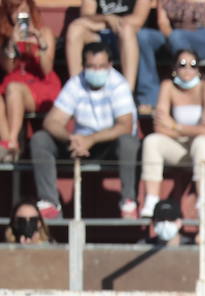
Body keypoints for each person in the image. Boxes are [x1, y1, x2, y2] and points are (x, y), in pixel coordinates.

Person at [30, 41, 139, 220]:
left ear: (110, 65)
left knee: (128, 142)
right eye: (91, 66)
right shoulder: (76, 83)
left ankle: (128, 200)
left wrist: (92, 139)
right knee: (40, 140)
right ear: (83, 66)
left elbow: (125, 125)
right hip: (77, 144)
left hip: (108, 145)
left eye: (101, 66)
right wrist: (71, 138)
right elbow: (52, 121)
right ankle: (50, 203)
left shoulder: (119, 85)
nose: (96, 71)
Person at [138, 50, 205, 218]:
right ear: (175, 69)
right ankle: (151, 199)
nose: (188, 69)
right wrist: (190, 129)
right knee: (152, 141)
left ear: (198, 69)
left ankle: (203, 202)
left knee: (201, 142)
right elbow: (159, 126)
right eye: (182, 65)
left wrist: (175, 126)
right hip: (183, 146)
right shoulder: (168, 87)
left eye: (193, 65)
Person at [0, 0, 58, 162]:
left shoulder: (43, 32)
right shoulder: (5, 34)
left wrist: (41, 45)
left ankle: (11, 142)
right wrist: (11, 43)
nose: (19, 14)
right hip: (14, 81)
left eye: (22, 9)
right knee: (11, 88)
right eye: (14, 10)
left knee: (13, 88)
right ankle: (9, 143)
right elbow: (8, 68)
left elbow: (47, 69)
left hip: (39, 85)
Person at [135, 0, 205, 113]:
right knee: (144, 36)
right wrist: (172, 38)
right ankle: (148, 97)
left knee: (177, 35)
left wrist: (174, 38)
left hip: (203, 37)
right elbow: (162, 23)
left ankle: (188, 83)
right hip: (174, 35)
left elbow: (190, 19)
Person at [63, 0, 148, 96]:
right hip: (97, 36)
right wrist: (106, 18)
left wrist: (103, 23)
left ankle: (128, 92)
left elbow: (138, 19)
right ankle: (76, 89)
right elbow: (85, 16)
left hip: (124, 38)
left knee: (127, 30)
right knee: (75, 29)